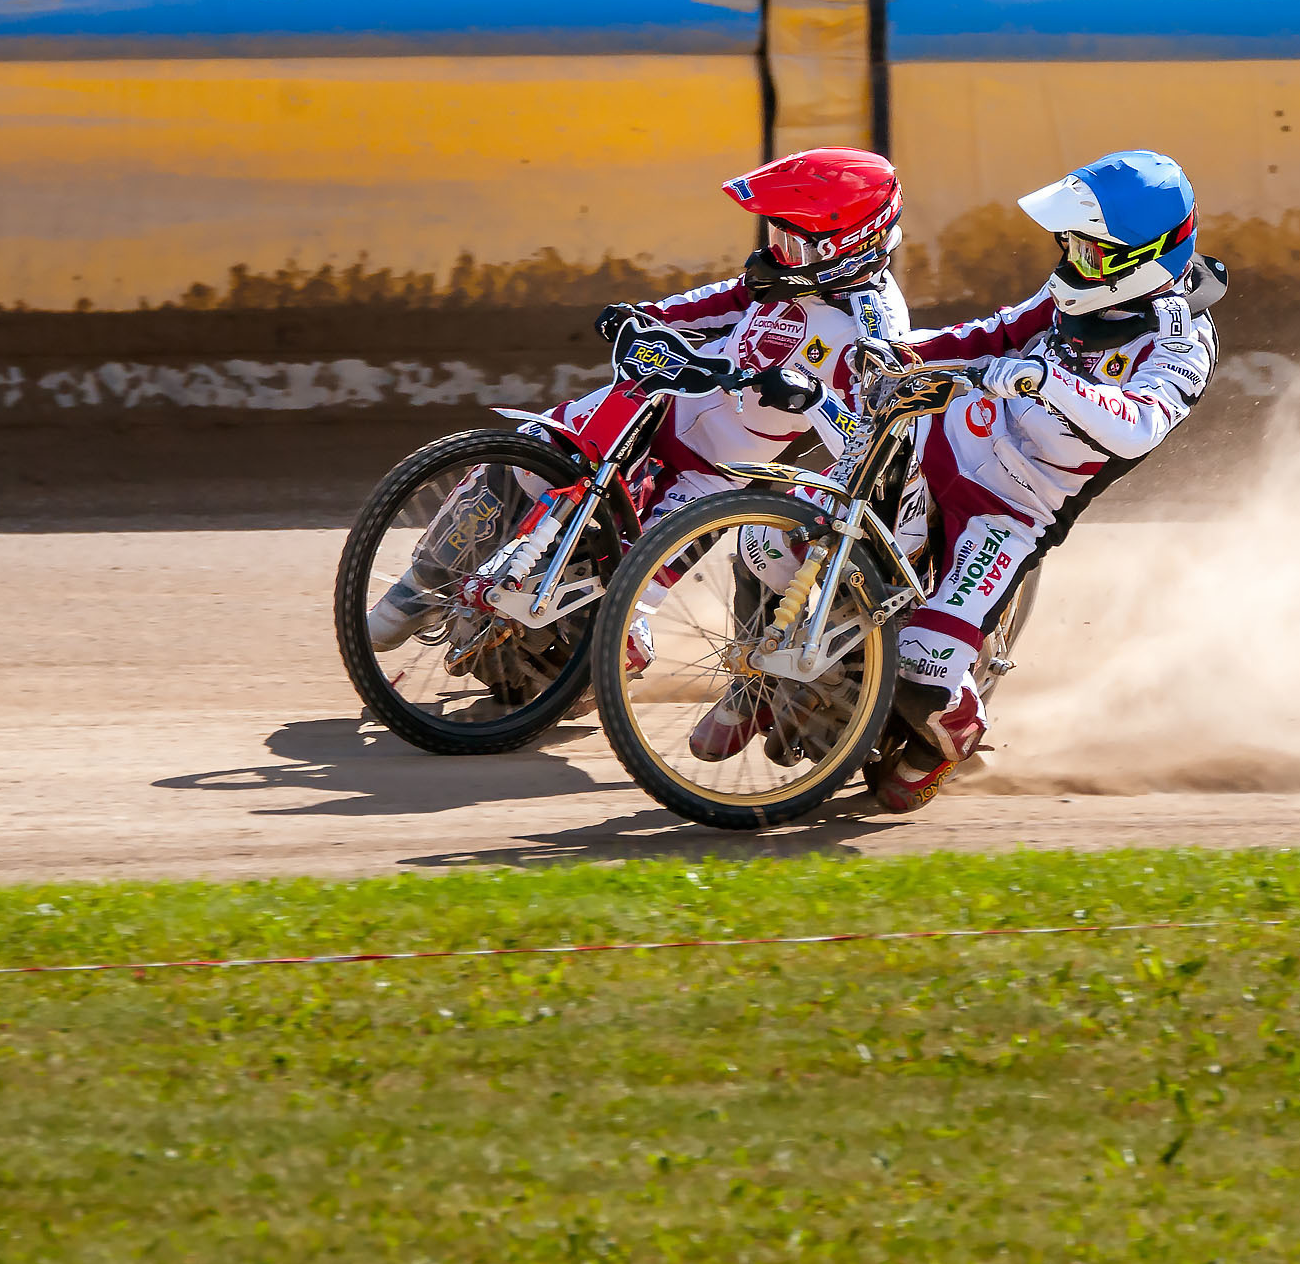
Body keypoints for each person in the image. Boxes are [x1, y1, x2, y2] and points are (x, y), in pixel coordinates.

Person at [366, 147, 910, 673]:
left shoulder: (874, 327)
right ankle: (414, 595)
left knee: (622, 620)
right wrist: (642, 316)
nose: (777, 254)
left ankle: (574, 678)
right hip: (657, 403)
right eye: (776, 235)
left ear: (852, 243)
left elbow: (877, 445)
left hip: (716, 477)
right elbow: (717, 301)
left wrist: (814, 401)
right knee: (528, 457)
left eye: (795, 244)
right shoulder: (782, 277)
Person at [871, 148, 1226, 812]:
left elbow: (1140, 426)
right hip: (944, 439)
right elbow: (999, 331)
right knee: (790, 533)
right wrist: (906, 352)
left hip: (1010, 511)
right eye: (1069, 245)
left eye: (1088, 252)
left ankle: (950, 731)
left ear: (1140, 260)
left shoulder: (1183, 344)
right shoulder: (1075, 287)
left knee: (919, 680)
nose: (1069, 263)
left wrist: (1052, 380)